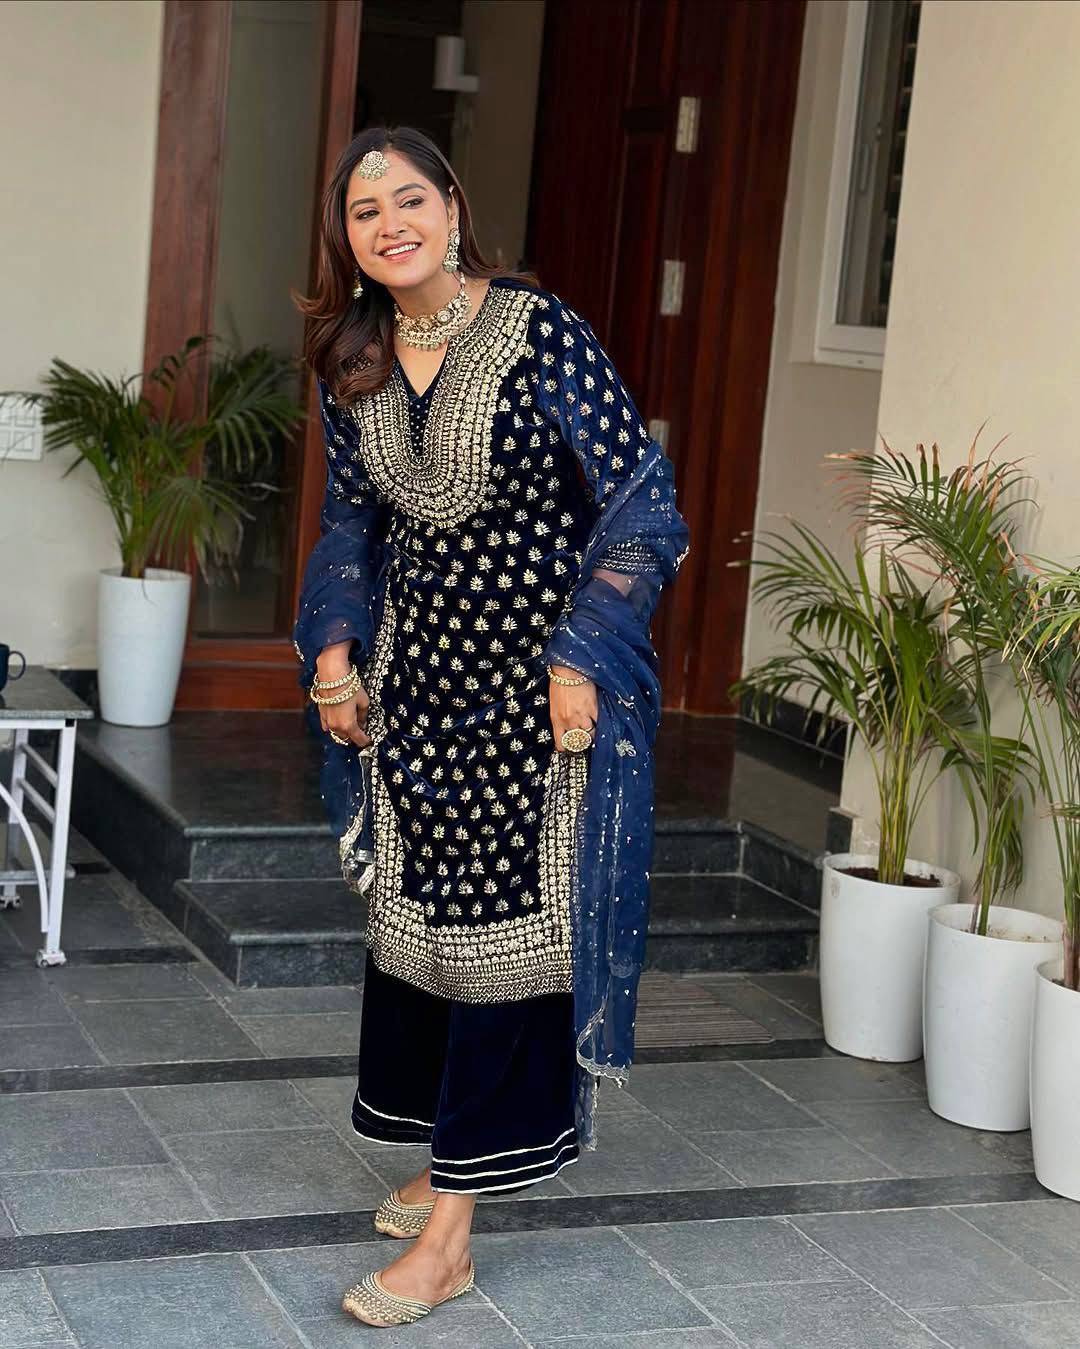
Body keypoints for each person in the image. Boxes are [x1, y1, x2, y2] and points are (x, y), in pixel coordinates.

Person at [293, 124, 689, 1329]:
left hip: (534, 708)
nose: (392, 224)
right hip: (416, 695)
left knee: (511, 949)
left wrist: (582, 652)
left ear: (454, 208)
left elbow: (642, 507)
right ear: (348, 239)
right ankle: (445, 1152)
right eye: (367, 212)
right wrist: (334, 654)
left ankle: (453, 1232)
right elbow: (350, 519)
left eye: (411, 199)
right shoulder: (356, 356)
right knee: (422, 939)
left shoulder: (538, 332)